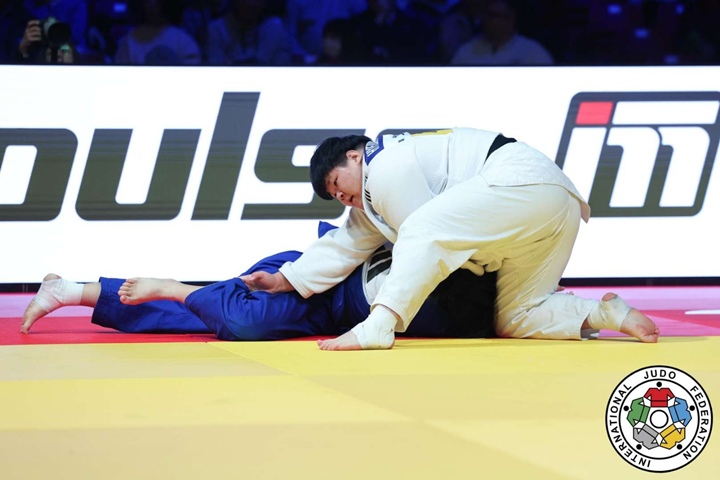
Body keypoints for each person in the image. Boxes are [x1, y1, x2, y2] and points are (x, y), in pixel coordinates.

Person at [241, 128, 660, 351]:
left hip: (520, 180)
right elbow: (348, 242)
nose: (341, 197)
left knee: (420, 232)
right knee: (514, 317)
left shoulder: (384, 164)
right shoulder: (372, 200)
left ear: (354, 156)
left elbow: (425, 237)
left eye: (337, 183)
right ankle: (606, 314)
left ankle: (378, 327)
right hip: (556, 206)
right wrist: (286, 278)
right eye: (334, 197)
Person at [20, 223, 497, 341]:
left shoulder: (480, 298)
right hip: (312, 276)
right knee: (239, 320)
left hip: (329, 308)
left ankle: (69, 290)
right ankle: (175, 288)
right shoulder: (434, 226)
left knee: (220, 320)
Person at [451, 0, 553, 66]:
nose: (491, 21)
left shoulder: (533, 52)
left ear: (511, 19)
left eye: (497, 15)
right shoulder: (466, 51)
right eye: (489, 15)